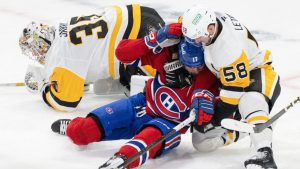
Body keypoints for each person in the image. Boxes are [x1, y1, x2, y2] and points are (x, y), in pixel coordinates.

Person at [50, 23, 223, 168]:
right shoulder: (165, 53)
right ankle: (76, 125)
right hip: (142, 103)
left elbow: (220, 106)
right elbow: (122, 53)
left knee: (137, 146)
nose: (195, 70)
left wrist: (206, 110)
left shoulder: (210, 73)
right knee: (79, 132)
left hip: (169, 125)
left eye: (199, 66)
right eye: (190, 65)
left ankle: (120, 161)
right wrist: (153, 38)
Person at [179, 5, 281, 169]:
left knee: (250, 101)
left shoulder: (228, 49)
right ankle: (255, 127)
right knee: (202, 142)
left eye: (198, 39)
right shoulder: (204, 23)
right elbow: (186, 26)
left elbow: (232, 95)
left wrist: (214, 120)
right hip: (226, 78)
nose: (196, 43)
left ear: (211, 29)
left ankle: (264, 154)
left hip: (256, 71)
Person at [19, 4, 164, 112]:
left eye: (35, 50)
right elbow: (84, 57)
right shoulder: (60, 26)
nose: (36, 56)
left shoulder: (61, 56)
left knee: (161, 88)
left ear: (42, 44)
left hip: (140, 36)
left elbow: (65, 102)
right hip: (139, 13)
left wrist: (43, 86)